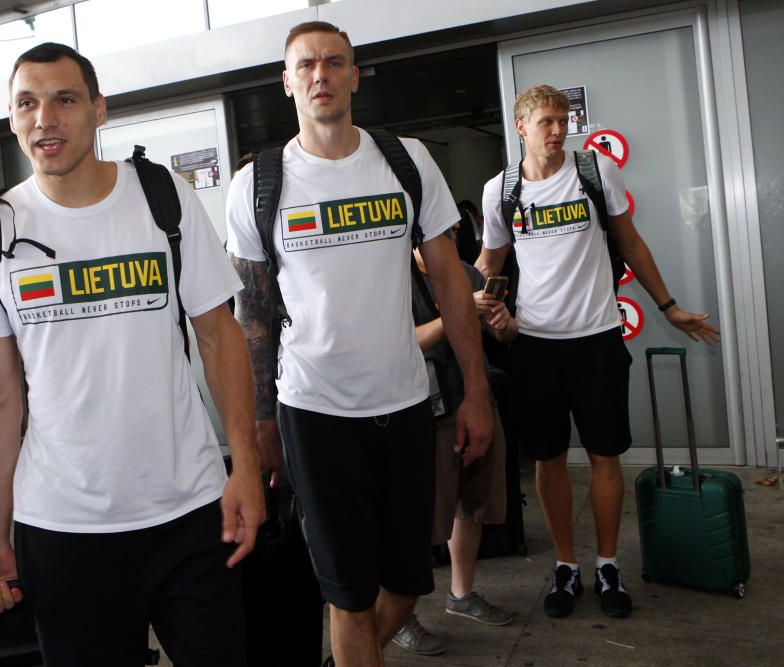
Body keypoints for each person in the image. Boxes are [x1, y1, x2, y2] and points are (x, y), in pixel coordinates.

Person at [0, 42, 263, 666]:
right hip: (62, 528)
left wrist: (246, 467)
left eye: (64, 100)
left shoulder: (160, 197)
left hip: (190, 510)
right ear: (12, 119)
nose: (46, 118)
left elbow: (218, 335)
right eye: (28, 103)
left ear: (98, 110)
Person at [226, 22, 493, 667]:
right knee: (347, 595)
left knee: (404, 584)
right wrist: (260, 422)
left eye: (334, 62)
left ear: (354, 75)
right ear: (287, 82)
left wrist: (477, 390)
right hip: (313, 411)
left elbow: (453, 283)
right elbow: (252, 317)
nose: (320, 74)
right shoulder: (257, 185)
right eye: (306, 65)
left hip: (405, 404)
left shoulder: (405, 159)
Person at [476, 84, 720, 620]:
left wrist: (668, 305)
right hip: (535, 344)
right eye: (546, 121)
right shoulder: (501, 191)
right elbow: (489, 261)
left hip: (599, 338)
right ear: (522, 127)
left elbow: (630, 242)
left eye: (563, 120)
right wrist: (464, 296)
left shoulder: (594, 172)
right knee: (550, 458)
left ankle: (607, 564)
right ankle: (566, 567)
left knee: (606, 455)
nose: (559, 130)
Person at [392, 250, 516, 657]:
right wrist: (456, 317)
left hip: (476, 400)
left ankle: (461, 594)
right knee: (419, 518)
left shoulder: (465, 272)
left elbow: (505, 337)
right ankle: (398, 617)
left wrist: (501, 323)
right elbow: (399, 341)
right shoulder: (392, 273)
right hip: (427, 409)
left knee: (474, 503)